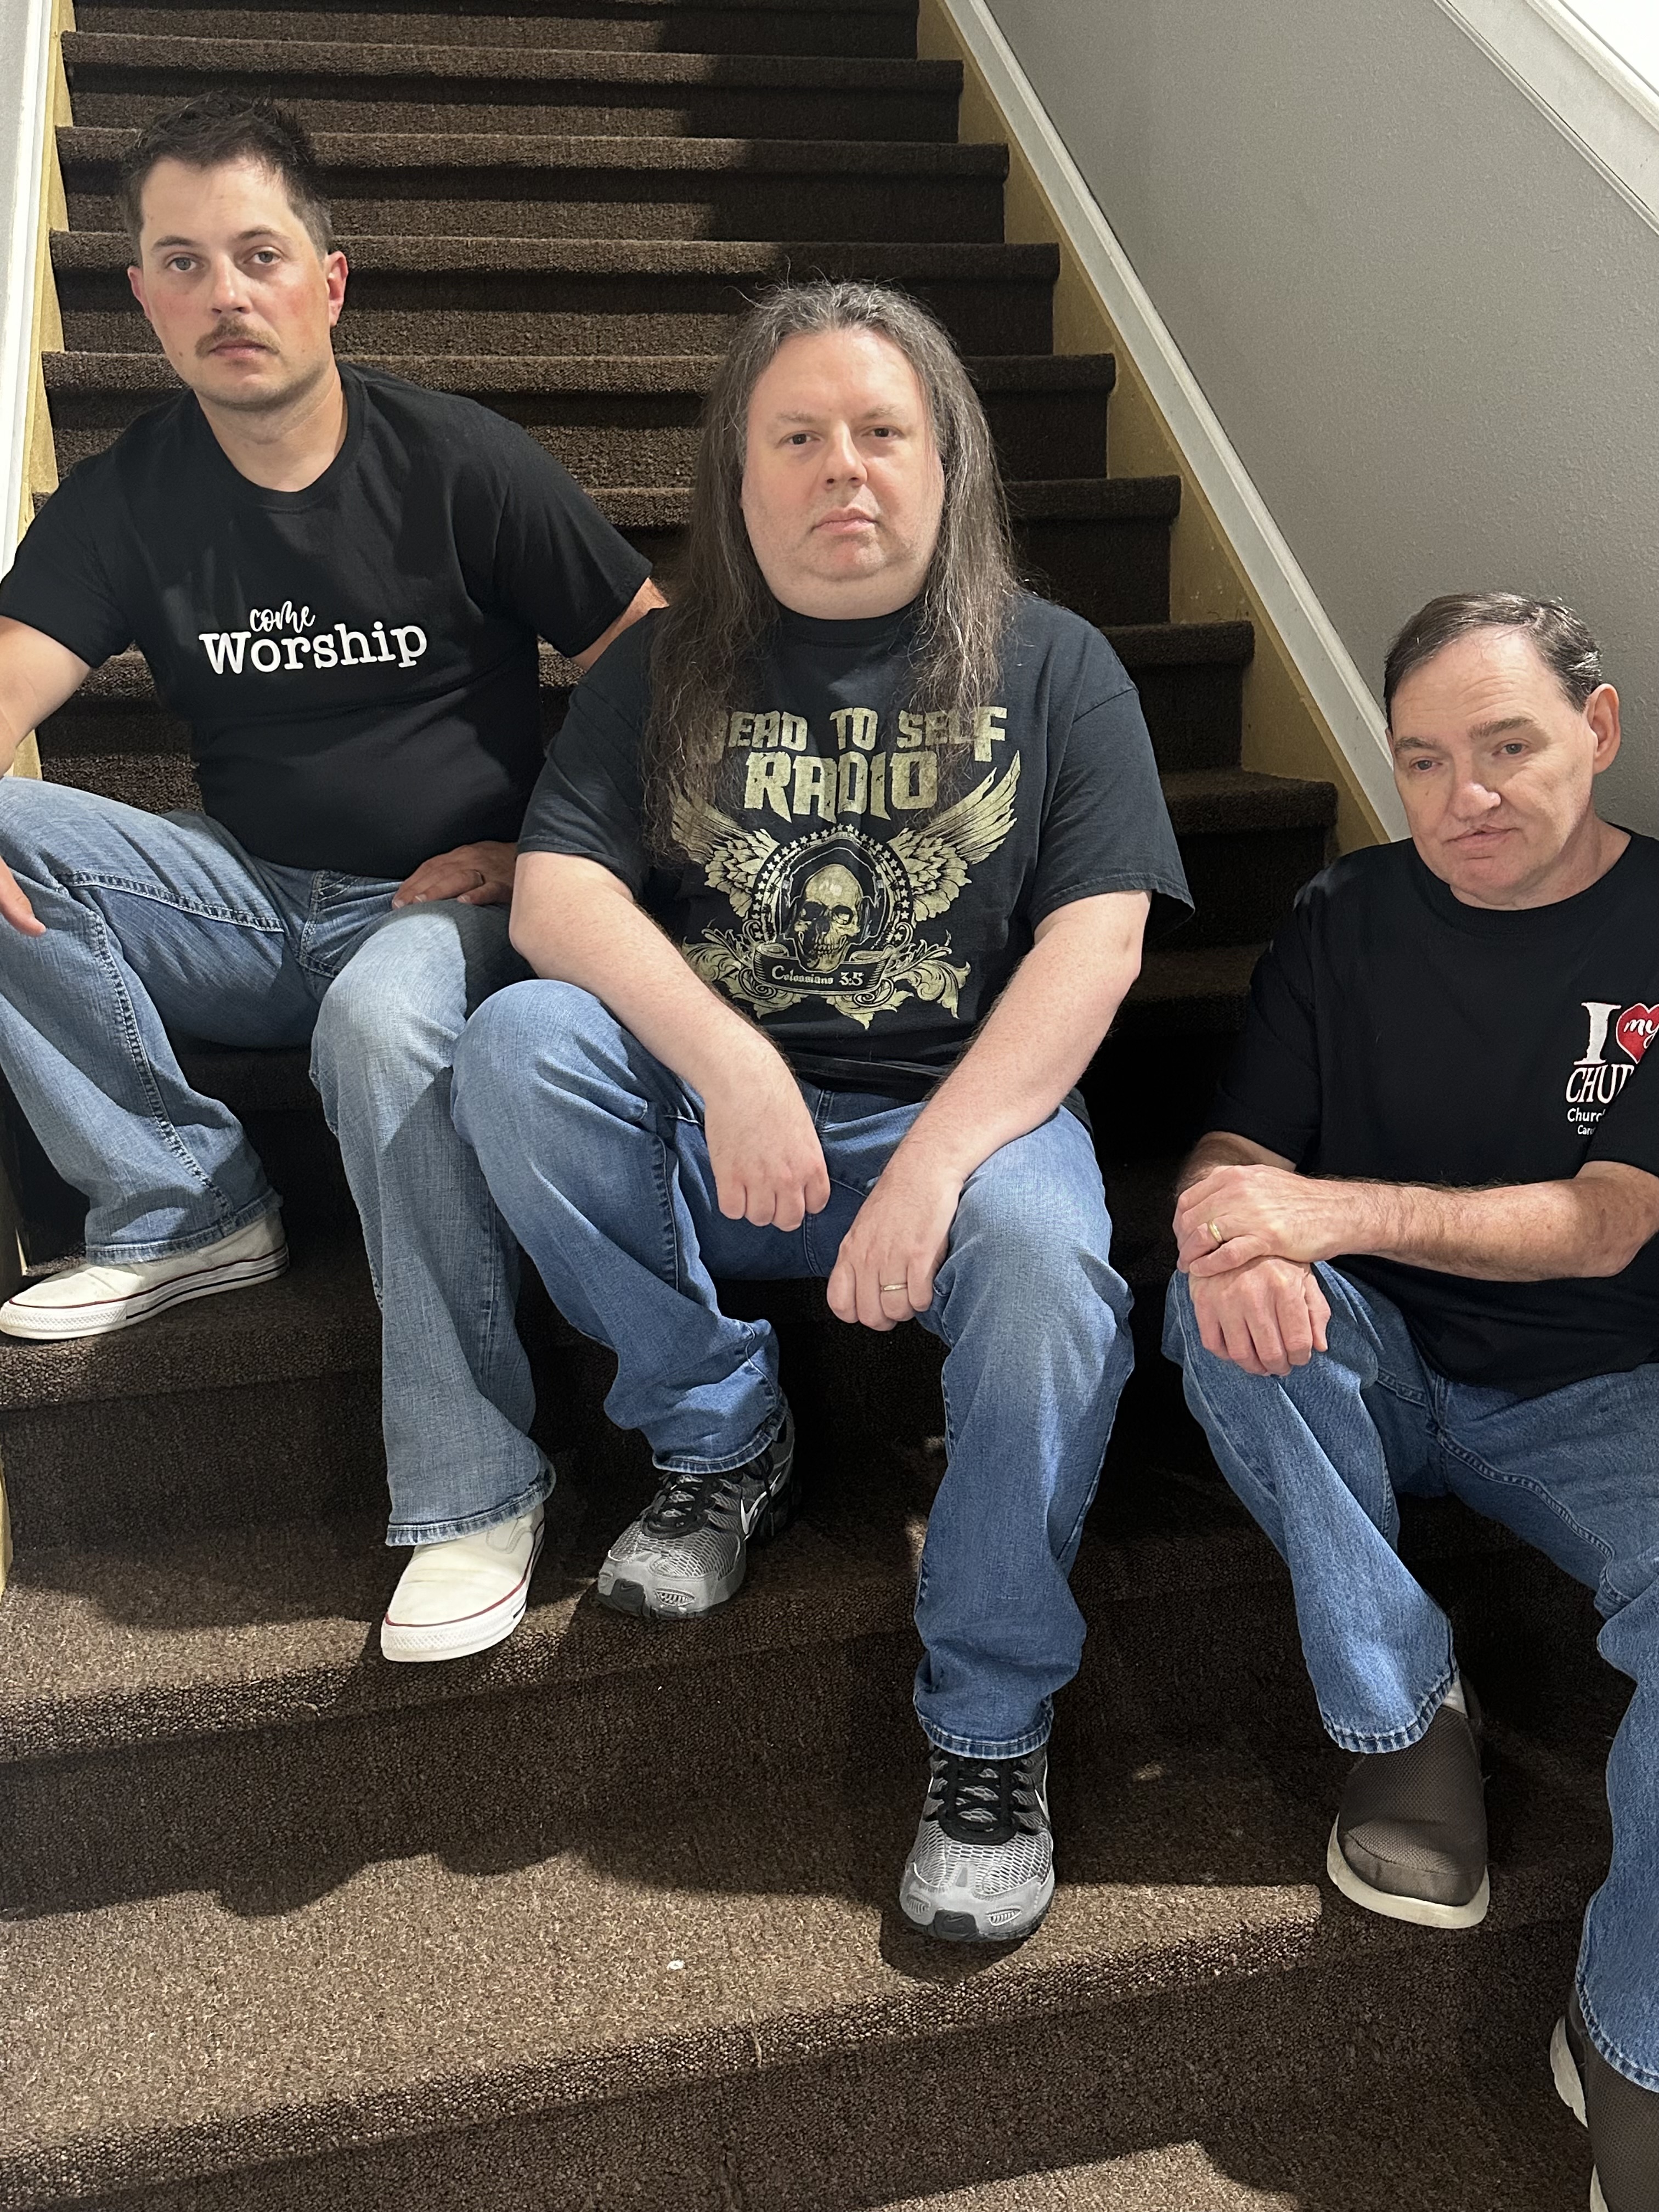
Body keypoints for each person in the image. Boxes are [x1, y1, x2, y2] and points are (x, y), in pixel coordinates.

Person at [450, 277, 1190, 1944]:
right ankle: (721, 1429)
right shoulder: (663, 669)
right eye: (797, 436)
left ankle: (990, 1719)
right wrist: (733, 1066)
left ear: (947, 464)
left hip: (968, 1120)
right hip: (726, 1133)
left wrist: (931, 1170)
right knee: (518, 1048)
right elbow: (557, 901)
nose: (842, 467)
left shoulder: (1056, 666)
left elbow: (1097, 946)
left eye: (880, 432)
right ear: (740, 473)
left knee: (1053, 1273)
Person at [0, 94, 661, 1663]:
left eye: (259, 254)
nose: (225, 294)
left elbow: (658, 666)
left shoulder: (460, 462)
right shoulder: (127, 496)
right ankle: (185, 1195)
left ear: (330, 280)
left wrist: (552, 847)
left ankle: (475, 1484)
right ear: (143, 297)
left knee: (378, 1021)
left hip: (448, 913)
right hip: (248, 897)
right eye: (183, 262)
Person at [1162, 594, 1658, 2212]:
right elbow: (1241, 1151)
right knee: (1212, 1303)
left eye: (1507, 747)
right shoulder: (1346, 913)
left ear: (1597, 730)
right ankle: (1402, 1714)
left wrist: (1329, 1212)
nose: (1466, 797)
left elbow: (1606, 1221)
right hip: (1366, 1353)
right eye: (1424, 760)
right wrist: (1224, 1218)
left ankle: (1632, 2044)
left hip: (1598, 1387)